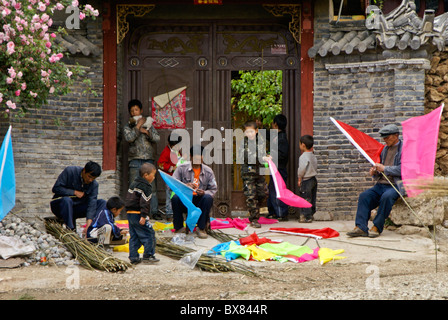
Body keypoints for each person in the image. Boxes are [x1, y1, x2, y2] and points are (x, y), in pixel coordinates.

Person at [347, 124, 403, 238]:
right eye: (384, 137)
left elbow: (404, 169)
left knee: (386, 197)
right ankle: (361, 227)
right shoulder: (384, 149)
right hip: (380, 184)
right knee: (364, 196)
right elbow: (380, 167)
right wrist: (375, 171)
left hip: (395, 185)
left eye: (387, 137)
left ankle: (377, 226)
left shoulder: (404, 149)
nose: (385, 140)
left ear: (396, 135)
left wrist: (385, 168)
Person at [123, 99, 161, 220]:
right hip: (134, 160)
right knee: (135, 186)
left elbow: (157, 138)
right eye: (132, 111)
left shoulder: (149, 123)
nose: (134, 112)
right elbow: (129, 138)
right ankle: (134, 211)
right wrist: (137, 127)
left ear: (141, 110)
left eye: (136, 110)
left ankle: (154, 211)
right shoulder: (128, 126)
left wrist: (147, 132)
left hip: (148, 159)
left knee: (151, 187)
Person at [171, 145, 217, 239]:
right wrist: (185, 186)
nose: (198, 160)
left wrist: (204, 193)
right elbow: (171, 184)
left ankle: (201, 228)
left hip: (199, 200)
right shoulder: (181, 168)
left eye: (200, 157)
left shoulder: (208, 171)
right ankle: (179, 227)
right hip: (186, 200)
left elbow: (213, 189)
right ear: (191, 157)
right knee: (175, 198)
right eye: (196, 158)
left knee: (208, 198)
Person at [50, 161, 106, 235]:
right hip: (60, 206)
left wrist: (89, 223)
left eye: (93, 178)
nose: (90, 180)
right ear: (84, 171)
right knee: (67, 200)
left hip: (76, 209)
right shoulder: (70, 171)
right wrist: (74, 192)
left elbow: (92, 204)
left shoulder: (94, 184)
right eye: (89, 176)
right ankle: (70, 230)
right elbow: (56, 188)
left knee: (102, 202)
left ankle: (92, 229)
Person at [125, 162, 160, 264]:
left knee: (134, 236)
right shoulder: (146, 187)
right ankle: (148, 255)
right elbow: (144, 203)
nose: (154, 177)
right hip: (139, 215)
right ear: (146, 175)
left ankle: (134, 257)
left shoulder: (133, 184)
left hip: (130, 214)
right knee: (149, 234)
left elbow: (128, 200)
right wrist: (143, 216)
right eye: (153, 175)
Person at [238, 121, 267, 228]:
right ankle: (254, 219)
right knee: (251, 195)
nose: (249, 134)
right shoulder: (243, 143)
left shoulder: (261, 141)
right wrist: (261, 158)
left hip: (260, 172)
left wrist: (267, 158)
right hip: (248, 174)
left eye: (251, 131)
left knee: (262, 194)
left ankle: (257, 212)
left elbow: (262, 153)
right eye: (247, 132)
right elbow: (246, 157)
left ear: (256, 131)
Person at [267, 114, 290, 221]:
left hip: (279, 169)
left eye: (272, 123)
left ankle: (281, 213)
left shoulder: (282, 138)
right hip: (276, 168)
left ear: (275, 124)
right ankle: (274, 212)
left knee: (277, 190)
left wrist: (272, 157)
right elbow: (267, 134)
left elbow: (283, 155)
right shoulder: (276, 136)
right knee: (272, 189)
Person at [157, 132, 183, 220]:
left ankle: (177, 213)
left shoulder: (177, 151)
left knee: (178, 195)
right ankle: (169, 214)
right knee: (170, 196)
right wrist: (172, 168)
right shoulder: (166, 151)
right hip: (169, 178)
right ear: (170, 144)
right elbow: (160, 164)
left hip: (177, 178)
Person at [297, 135, 318, 223]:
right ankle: (311, 214)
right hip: (313, 179)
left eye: (299, 144)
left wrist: (299, 178)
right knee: (312, 198)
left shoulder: (303, 157)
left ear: (303, 145)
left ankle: (306, 216)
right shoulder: (313, 155)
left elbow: (302, 169)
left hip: (306, 180)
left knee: (305, 198)